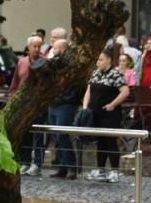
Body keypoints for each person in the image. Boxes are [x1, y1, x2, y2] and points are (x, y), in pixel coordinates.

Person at [82, 49, 129, 183]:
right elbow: (89, 91)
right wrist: (85, 107)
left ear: (109, 60)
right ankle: (100, 169)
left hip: (110, 114)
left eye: (101, 59)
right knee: (100, 142)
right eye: (98, 60)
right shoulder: (95, 73)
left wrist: (113, 104)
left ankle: (114, 170)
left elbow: (125, 91)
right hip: (95, 113)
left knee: (110, 141)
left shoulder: (115, 74)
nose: (98, 62)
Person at [9, 35, 45, 175]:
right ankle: (25, 162)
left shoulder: (45, 62)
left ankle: (37, 164)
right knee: (24, 134)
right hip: (23, 106)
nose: (36, 49)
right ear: (28, 48)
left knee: (39, 135)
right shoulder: (22, 62)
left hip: (38, 105)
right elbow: (15, 82)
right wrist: (12, 98)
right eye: (34, 46)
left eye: (39, 46)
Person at [47, 39, 82, 180]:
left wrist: (66, 98)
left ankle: (71, 167)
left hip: (66, 104)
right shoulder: (54, 64)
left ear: (62, 49)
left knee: (62, 134)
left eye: (55, 48)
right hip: (53, 104)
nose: (53, 51)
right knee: (55, 136)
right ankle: (62, 167)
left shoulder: (72, 66)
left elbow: (75, 86)